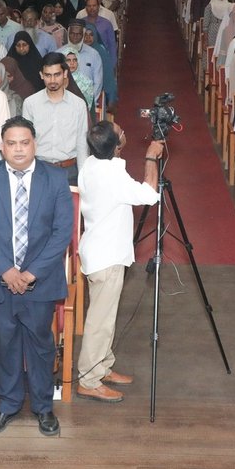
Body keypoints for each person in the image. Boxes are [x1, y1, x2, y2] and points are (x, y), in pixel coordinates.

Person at [0, 117, 73, 438]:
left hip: (39, 280)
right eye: (11, 143)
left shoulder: (55, 178)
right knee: (5, 344)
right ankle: (8, 404)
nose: (18, 149)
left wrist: (30, 273)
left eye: (24, 143)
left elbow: (62, 232)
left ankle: (43, 407)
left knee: (41, 345)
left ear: (34, 144)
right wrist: (7, 270)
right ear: (1, 146)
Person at [75, 122, 162, 403]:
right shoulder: (112, 174)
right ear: (116, 146)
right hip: (107, 256)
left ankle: (102, 366)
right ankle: (88, 380)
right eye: (121, 132)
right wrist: (151, 156)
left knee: (106, 316)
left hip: (97, 250)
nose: (125, 131)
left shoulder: (90, 165)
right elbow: (150, 194)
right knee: (99, 322)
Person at [21, 52, 90, 183]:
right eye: (48, 75)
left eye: (57, 74)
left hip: (69, 171)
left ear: (65, 74)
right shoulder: (30, 103)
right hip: (39, 170)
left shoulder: (78, 104)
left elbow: (82, 143)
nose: (52, 80)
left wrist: (83, 178)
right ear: (41, 75)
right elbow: (26, 141)